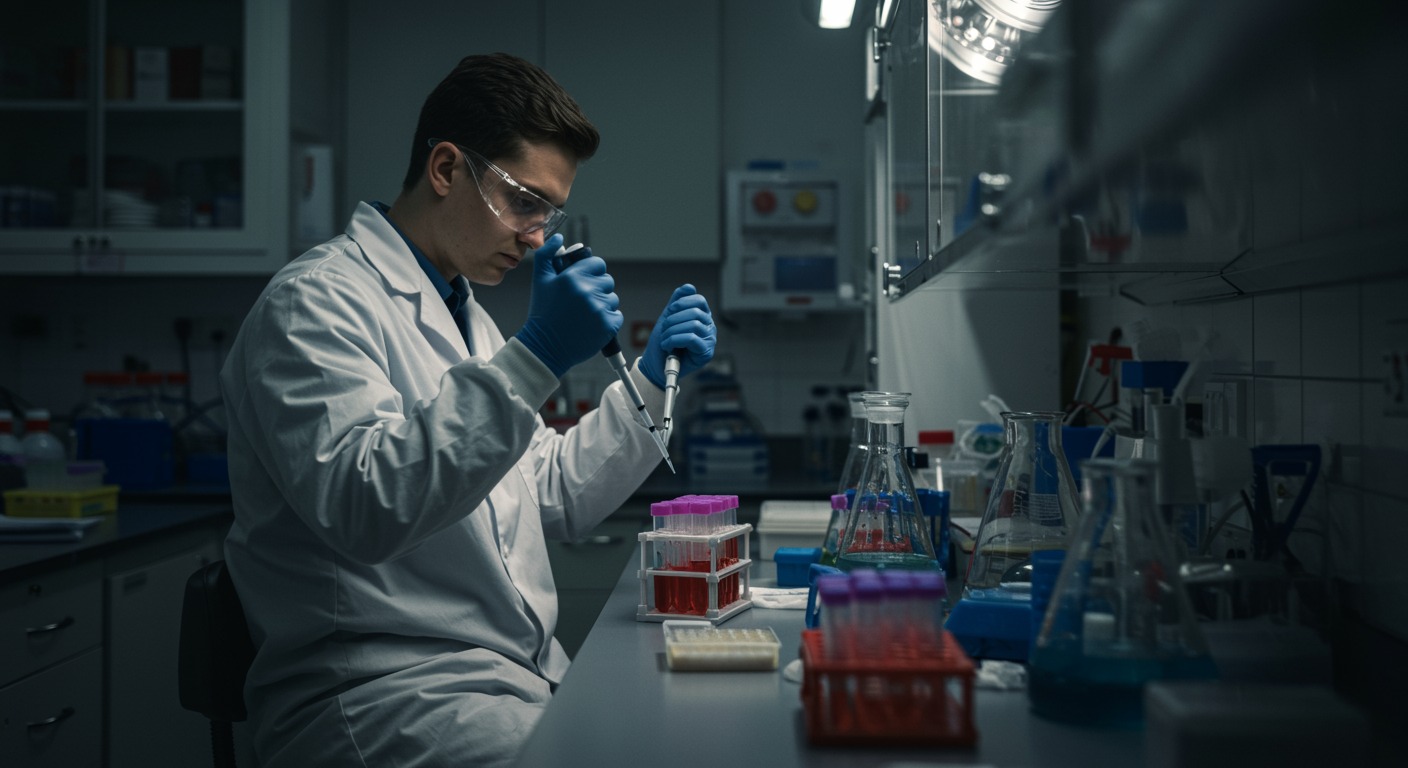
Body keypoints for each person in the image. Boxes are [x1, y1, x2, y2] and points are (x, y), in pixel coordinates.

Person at [219, 52, 716, 768]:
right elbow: (366, 503)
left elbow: (545, 495)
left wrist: (650, 378)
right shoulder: (312, 304)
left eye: (550, 212)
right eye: (524, 201)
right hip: (380, 699)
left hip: (500, 685)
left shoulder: (467, 317)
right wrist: (538, 354)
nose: (538, 235)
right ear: (447, 169)